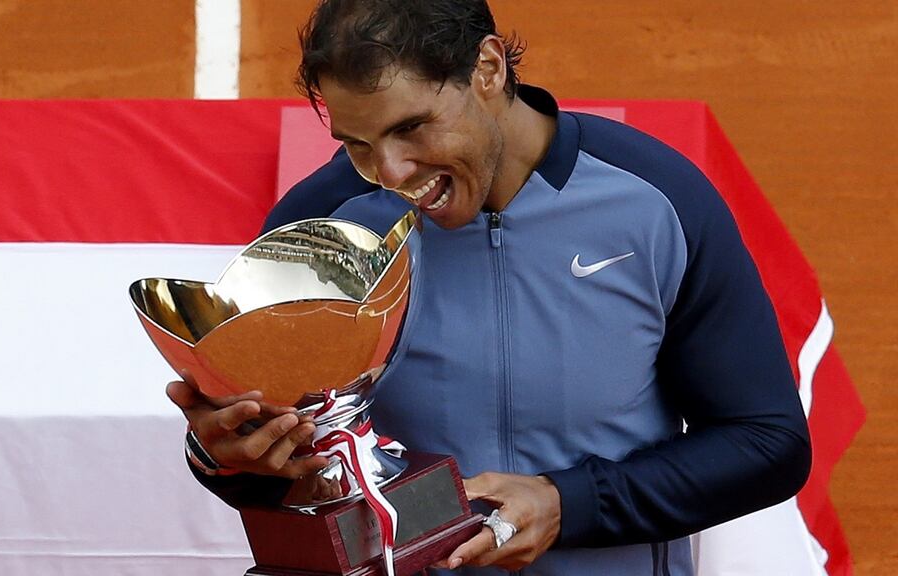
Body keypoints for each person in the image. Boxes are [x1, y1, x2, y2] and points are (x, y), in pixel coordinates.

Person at [166, 0, 812, 574]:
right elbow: (296, 457)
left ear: (489, 68)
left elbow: (765, 442)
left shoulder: (658, 203)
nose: (389, 172)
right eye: (358, 143)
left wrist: (569, 503)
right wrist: (226, 457)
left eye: (412, 127)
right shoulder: (318, 229)